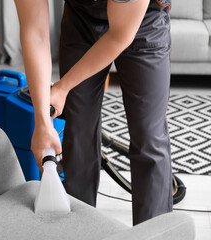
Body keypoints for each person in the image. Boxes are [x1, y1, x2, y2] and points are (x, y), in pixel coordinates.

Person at [14, 0, 172, 225]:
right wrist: (42, 121)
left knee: (149, 138)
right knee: (78, 135)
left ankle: (153, 232)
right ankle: (79, 230)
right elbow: (34, 32)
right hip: (81, 20)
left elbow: (119, 35)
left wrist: (62, 87)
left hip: (142, 22)